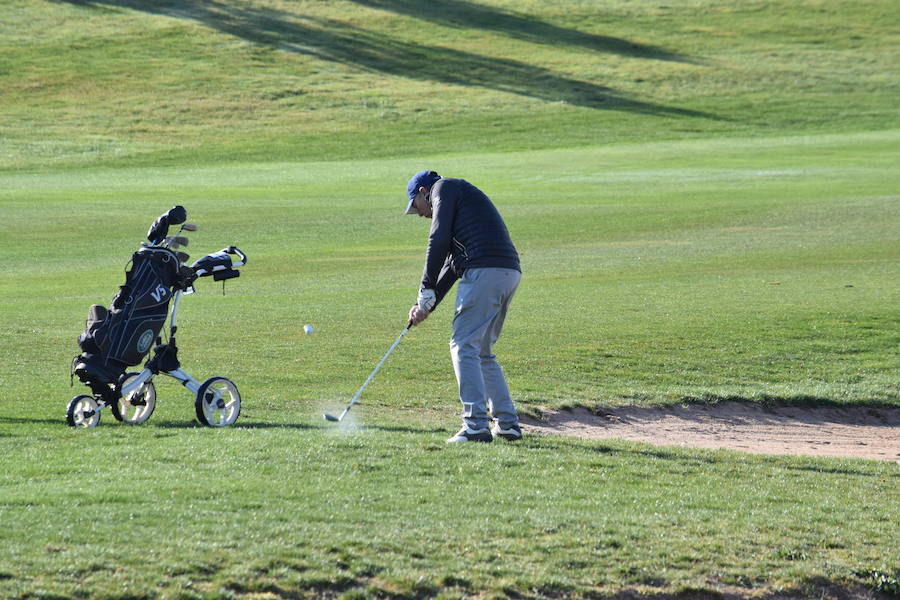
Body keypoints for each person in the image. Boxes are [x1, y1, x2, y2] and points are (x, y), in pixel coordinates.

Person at [404, 170, 522, 443]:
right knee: (481, 351)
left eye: (416, 207)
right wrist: (425, 305)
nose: (420, 214)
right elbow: (452, 264)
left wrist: (425, 288)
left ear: (423, 192)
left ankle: (475, 425)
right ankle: (507, 424)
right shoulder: (460, 204)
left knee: (462, 345)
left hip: (485, 271)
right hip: (507, 273)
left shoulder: (443, 189)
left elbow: (437, 238)